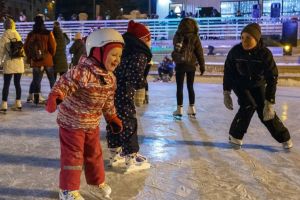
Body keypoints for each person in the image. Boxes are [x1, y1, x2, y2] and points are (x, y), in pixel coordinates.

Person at [45, 28, 124, 200]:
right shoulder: (82, 71)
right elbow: (64, 84)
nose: (117, 59)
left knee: (94, 154)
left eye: (119, 55)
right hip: (72, 122)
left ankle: (96, 184)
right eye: (113, 54)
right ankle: (67, 190)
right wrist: (56, 96)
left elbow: (108, 101)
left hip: (91, 123)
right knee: (73, 157)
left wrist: (111, 117)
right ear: (97, 51)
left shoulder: (110, 78)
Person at [223, 23, 293, 149]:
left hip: (258, 84)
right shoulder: (236, 51)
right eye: (242, 37)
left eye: (248, 38)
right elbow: (228, 72)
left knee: (265, 111)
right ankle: (235, 136)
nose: (244, 41)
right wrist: (226, 91)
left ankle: (284, 137)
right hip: (240, 83)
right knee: (248, 105)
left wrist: (270, 101)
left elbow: (272, 78)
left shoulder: (264, 54)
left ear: (256, 39)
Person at [106, 20, 152, 173]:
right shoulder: (140, 53)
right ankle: (131, 158)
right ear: (142, 40)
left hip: (112, 90)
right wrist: (141, 87)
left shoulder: (124, 50)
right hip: (125, 91)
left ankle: (114, 154)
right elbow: (136, 74)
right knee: (128, 122)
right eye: (148, 38)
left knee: (114, 120)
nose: (149, 42)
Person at [172, 17, 205, 118]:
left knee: (179, 87)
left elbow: (176, 49)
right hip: (191, 65)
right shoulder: (195, 37)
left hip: (180, 65)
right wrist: (202, 65)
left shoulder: (178, 35)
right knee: (190, 86)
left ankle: (179, 109)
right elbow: (199, 53)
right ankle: (192, 108)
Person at [24, 15, 56, 105]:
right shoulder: (48, 33)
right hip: (47, 60)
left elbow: (25, 46)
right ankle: (53, 98)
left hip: (36, 61)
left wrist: (30, 56)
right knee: (51, 79)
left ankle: (37, 99)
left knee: (36, 79)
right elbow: (53, 46)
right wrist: (50, 55)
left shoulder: (31, 34)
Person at [0, 18, 25, 113]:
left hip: (9, 62)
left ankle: (4, 104)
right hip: (19, 62)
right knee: (17, 84)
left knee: (6, 84)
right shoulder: (17, 34)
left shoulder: (4, 36)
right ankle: (18, 103)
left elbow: (1, 51)